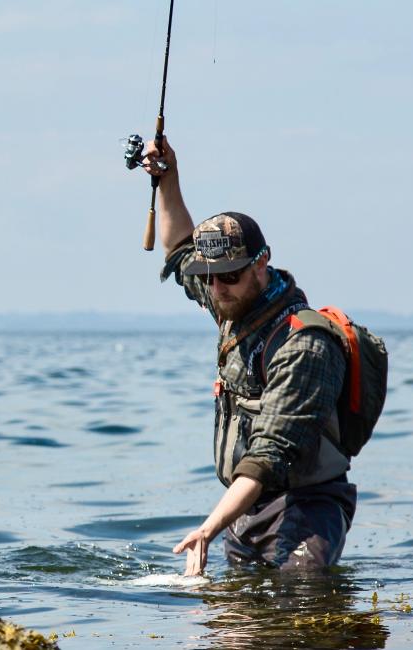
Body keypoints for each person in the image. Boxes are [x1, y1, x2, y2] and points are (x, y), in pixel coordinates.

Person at [141, 137, 357, 576]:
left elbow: (268, 456)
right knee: (239, 617)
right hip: (245, 509)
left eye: (230, 278)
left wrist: (206, 529)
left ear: (262, 263)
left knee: (298, 604)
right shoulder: (230, 298)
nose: (216, 290)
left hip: (308, 507)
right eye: (210, 279)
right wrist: (168, 178)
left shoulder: (305, 345)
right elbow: (180, 247)